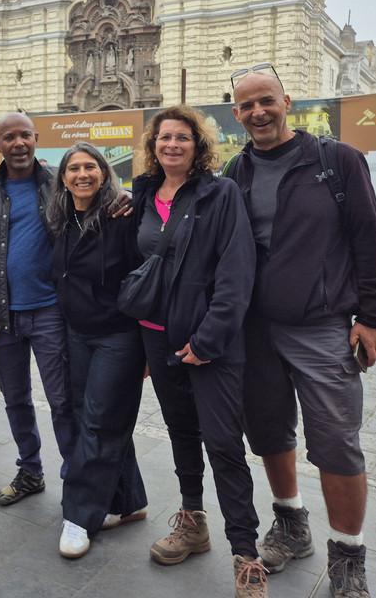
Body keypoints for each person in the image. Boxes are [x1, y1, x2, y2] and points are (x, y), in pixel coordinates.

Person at [229, 67, 376, 598]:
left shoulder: (334, 160)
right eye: (247, 105)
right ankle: (292, 526)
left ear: (286, 101)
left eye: (266, 101)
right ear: (236, 114)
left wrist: (372, 317)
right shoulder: (237, 170)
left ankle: (348, 555)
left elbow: (370, 241)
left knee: (338, 443)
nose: (258, 112)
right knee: (269, 432)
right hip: (255, 329)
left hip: (321, 327)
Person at [131, 105, 266, 598]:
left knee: (225, 444)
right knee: (181, 432)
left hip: (210, 344)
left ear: (198, 144)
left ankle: (245, 553)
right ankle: (193, 520)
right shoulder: (144, 194)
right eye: (164, 137)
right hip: (156, 336)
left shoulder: (220, 193)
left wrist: (207, 341)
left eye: (182, 138)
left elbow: (236, 271)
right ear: (153, 144)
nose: (171, 145)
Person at [0, 113, 76, 506]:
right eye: (9, 137)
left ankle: (75, 479)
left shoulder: (59, 184)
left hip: (50, 312)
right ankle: (30, 470)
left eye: (24, 135)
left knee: (63, 400)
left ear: (36, 139)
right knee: (16, 399)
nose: (18, 143)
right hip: (2, 317)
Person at [47, 143, 146, 559]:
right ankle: (127, 502)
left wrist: (146, 347)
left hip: (117, 336)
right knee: (92, 415)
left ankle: (80, 515)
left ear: (104, 173)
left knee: (100, 421)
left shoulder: (122, 215)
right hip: (78, 332)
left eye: (91, 167)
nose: (82, 174)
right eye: (74, 168)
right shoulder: (63, 217)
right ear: (63, 177)